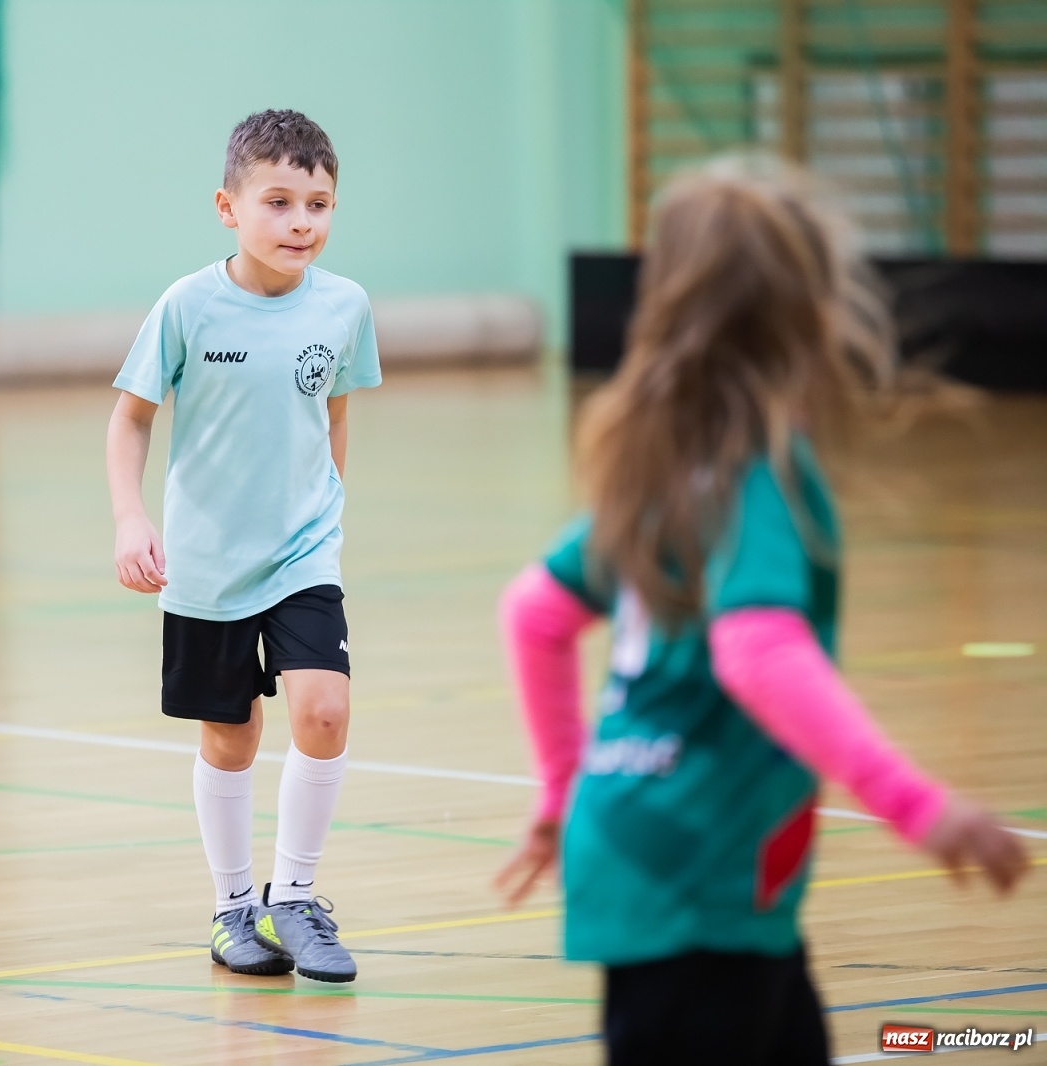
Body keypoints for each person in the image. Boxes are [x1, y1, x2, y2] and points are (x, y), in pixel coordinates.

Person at [493, 157, 1030, 1064]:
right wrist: (916, 804)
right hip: (698, 878)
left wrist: (563, 793)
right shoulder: (757, 477)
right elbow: (757, 652)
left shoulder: (661, 469)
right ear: (806, 315)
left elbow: (532, 615)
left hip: (661, 864)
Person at [105, 109, 381, 983]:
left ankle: (295, 897)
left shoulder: (345, 306)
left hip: (303, 554)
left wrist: (326, 509)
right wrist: (130, 518)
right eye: (279, 202)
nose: (302, 222)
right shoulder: (187, 306)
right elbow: (130, 420)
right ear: (229, 207)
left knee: (326, 711)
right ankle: (234, 911)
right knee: (231, 739)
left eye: (319, 203)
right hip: (207, 563)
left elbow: (334, 411)